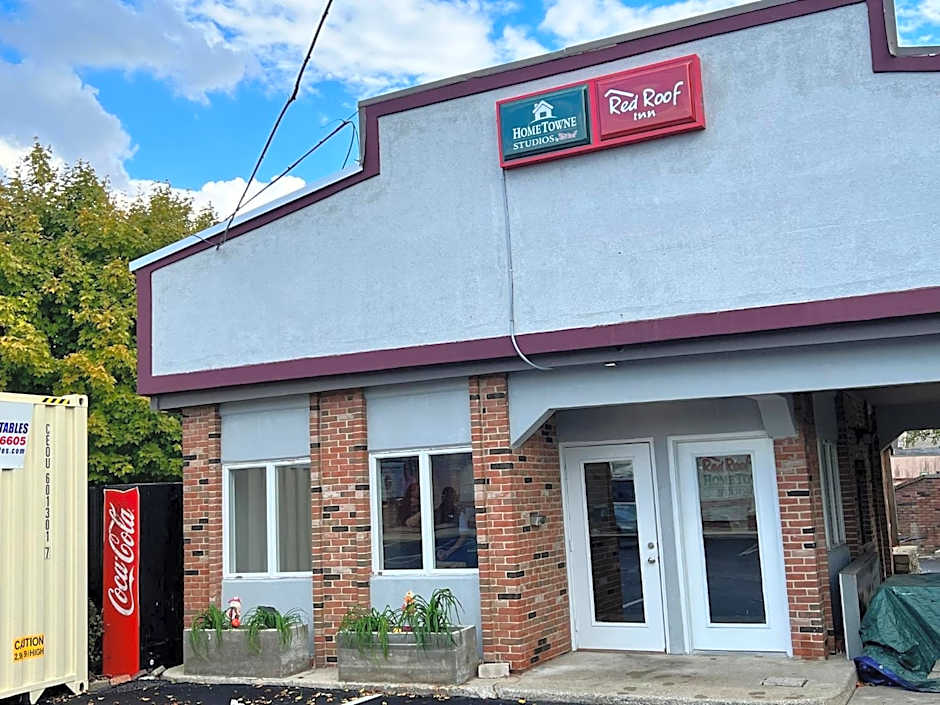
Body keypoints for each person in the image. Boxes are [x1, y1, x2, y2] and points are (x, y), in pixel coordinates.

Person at [434, 486, 476, 566]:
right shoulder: (435, 513)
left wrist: (448, 552)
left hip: (454, 548)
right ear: (442, 498)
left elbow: (463, 537)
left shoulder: (459, 513)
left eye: (451, 497)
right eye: (447, 497)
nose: (449, 500)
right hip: (438, 548)